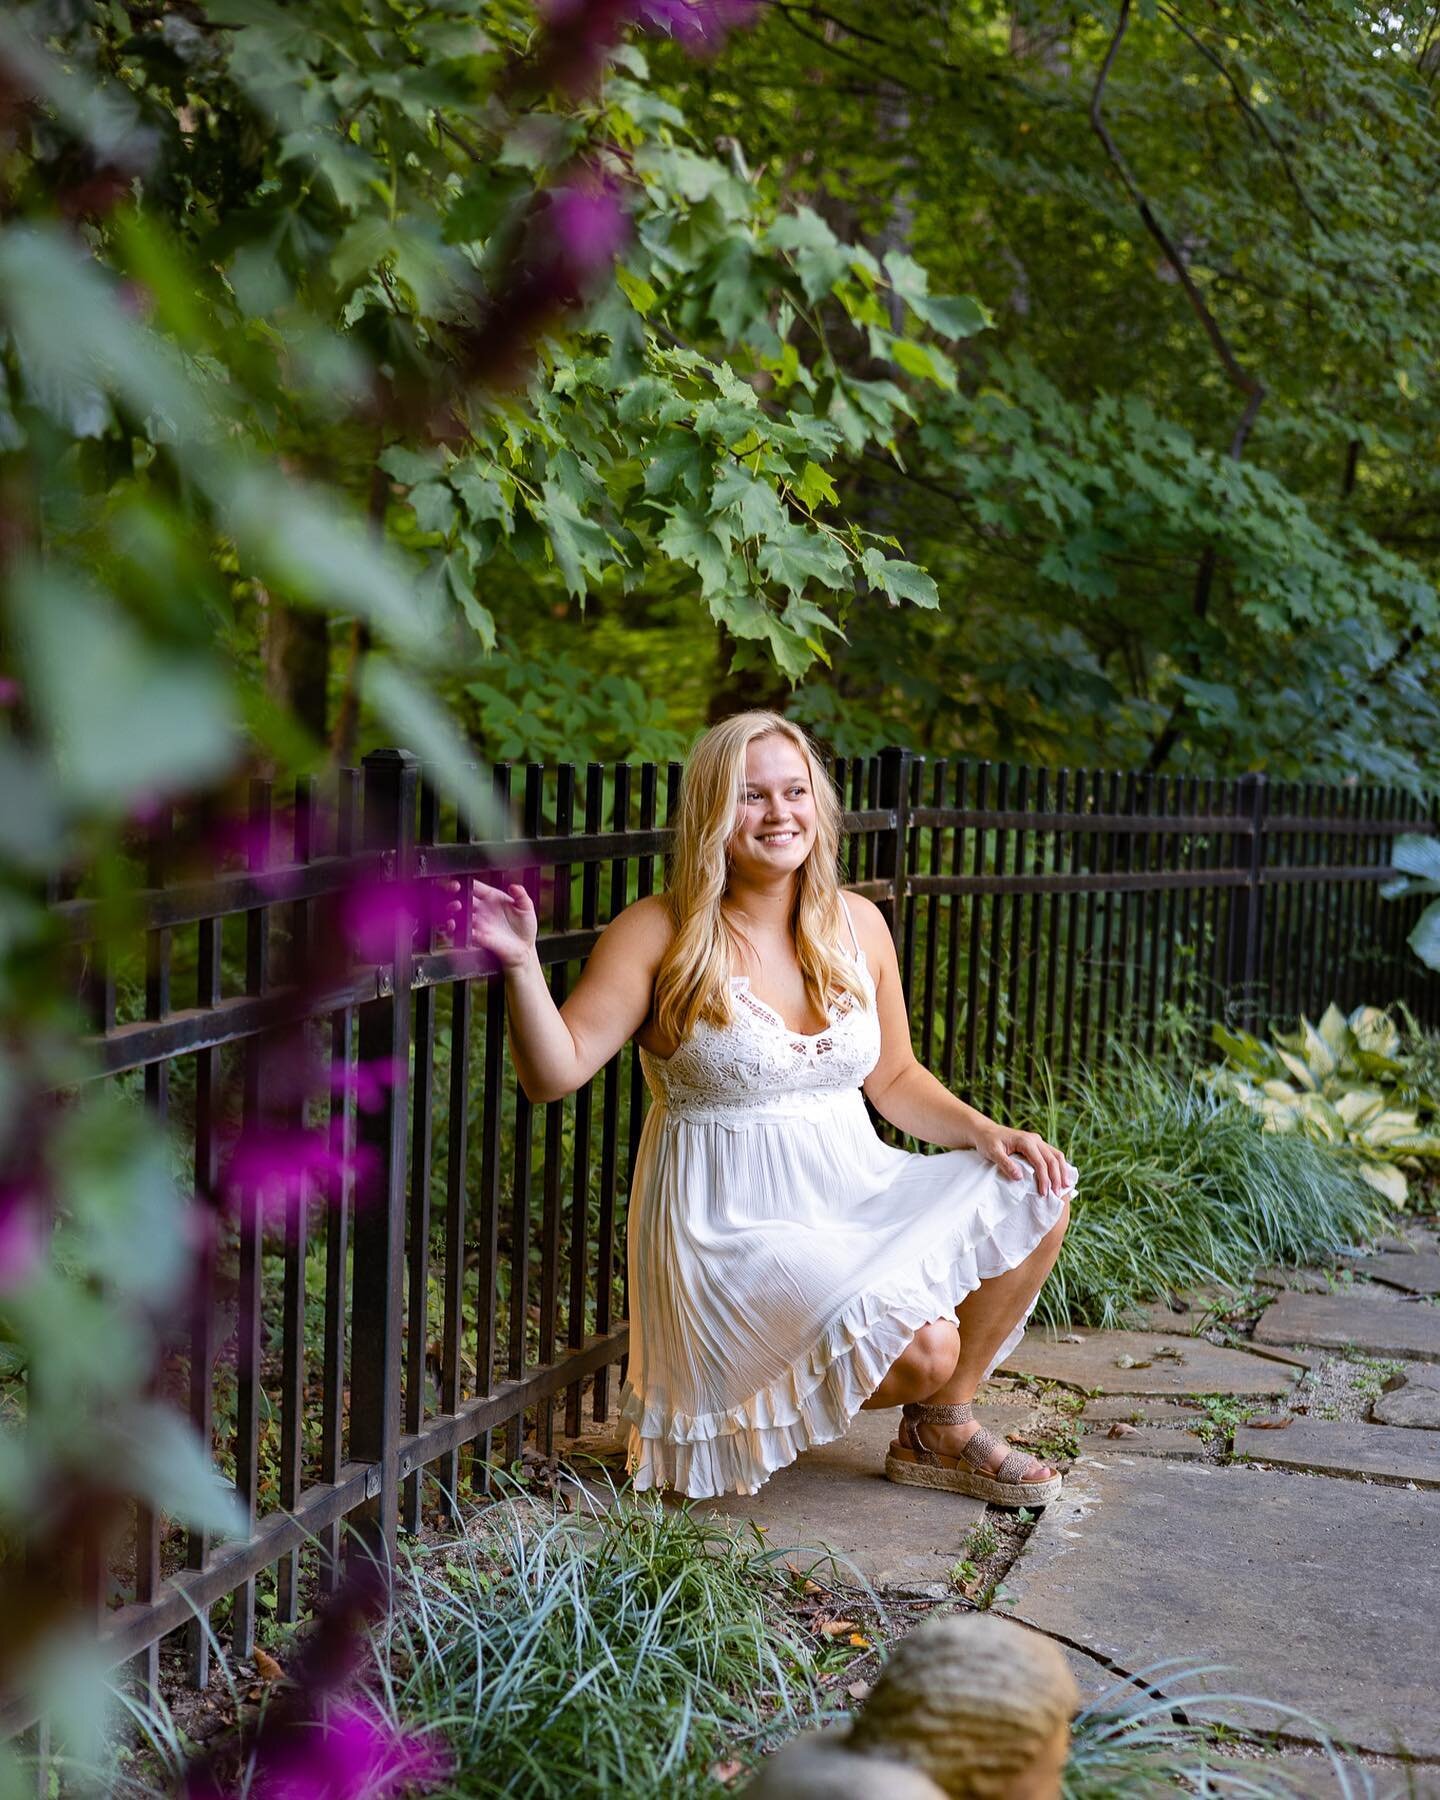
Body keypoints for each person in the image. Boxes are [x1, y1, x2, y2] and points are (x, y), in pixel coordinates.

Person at [459, 711, 1076, 1503]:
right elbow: (556, 1073)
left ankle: (940, 1428)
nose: (780, 813)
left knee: (1037, 1187)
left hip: (851, 1185)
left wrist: (990, 1134)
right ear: (713, 813)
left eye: (795, 791)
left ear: (819, 805)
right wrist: (518, 964)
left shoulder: (857, 925)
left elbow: (893, 1079)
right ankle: (919, 1391)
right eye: (752, 796)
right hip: (732, 1223)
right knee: (924, 1348)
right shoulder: (662, 932)